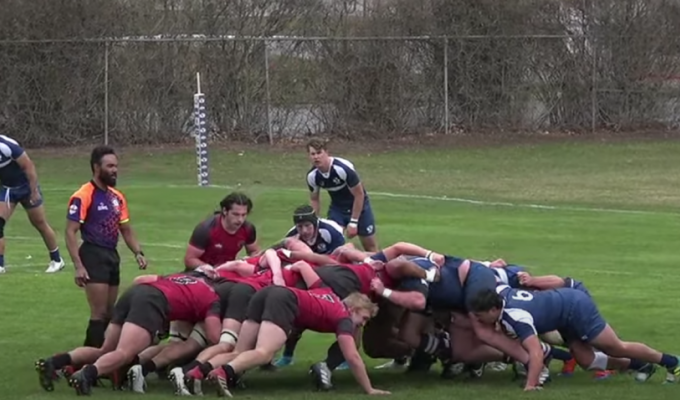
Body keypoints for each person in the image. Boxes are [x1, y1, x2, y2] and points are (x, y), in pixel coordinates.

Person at [35, 272, 222, 395]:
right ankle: (87, 375)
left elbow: (141, 279)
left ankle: (54, 363)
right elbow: (214, 335)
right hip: (152, 303)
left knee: (104, 350)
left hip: (135, 294)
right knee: (125, 353)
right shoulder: (212, 297)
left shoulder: (180, 278)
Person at [469, 286, 680, 389]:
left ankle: (673, 362)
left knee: (615, 347)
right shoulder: (499, 293)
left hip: (574, 308)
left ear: (494, 309)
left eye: (480, 316)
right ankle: (641, 365)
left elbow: (535, 352)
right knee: (587, 361)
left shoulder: (515, 316)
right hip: (563, 312)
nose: (478, 320)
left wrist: (531, 386)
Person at [64, 145, 147, 349]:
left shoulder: (116, 197)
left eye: (116, 166)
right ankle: (87, 362)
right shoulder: (83, 195)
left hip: (111, 256)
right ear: (96, 167)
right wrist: (78, 266)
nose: (114, 170)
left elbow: (125, 229)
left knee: (111, 313)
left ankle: (100, 356)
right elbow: (70, 231)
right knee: (99, 313)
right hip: (93, 254)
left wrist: (138, 252)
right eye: (109, 166)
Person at [0, 134, 63, 274]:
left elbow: (29, 166)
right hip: (8, 189)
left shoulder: (6, 146)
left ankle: (57, 260)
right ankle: (0, 265)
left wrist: (34, 191)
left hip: (26, 187)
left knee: (40, 223)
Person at [305, 139, 378, 252]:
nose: (316, 157)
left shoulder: (342, 169)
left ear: (327, 153)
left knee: (370, 247)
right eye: (312, 154)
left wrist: (353, 222)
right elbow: (314, 199)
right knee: (333, 243)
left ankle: (377, 268)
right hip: (337, 209)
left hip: (360, 207)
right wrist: (314, 221)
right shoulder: (312, 176)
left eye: (319, 153)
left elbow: (359, 195)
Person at [183, 192, 259, 272]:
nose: (240, 220)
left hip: (226, 272)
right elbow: (190, 259)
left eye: (243, 215)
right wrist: (207, 268)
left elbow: (254, 251)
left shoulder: (248, 229)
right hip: (200, 274)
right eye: (235, 214)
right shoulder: (206, 229)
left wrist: (249, 260)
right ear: (225, 211)